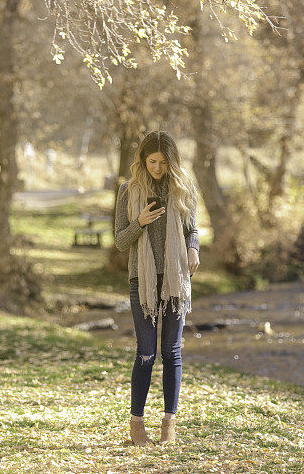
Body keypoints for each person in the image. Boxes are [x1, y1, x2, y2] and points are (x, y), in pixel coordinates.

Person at [114, 130, 200, 446]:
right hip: (142, 282)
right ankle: (137, 427)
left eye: (164, 162)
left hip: (176, 280)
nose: (158, 168)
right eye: (152, 161)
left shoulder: (184, 187)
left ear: (172, 162)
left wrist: (194, 250)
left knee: (171, 351)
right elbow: (120, 241)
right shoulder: (128, 190)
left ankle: (169, 427)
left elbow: (193, 230)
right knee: (146, 353)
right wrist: (140, 222)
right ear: (143, 159)